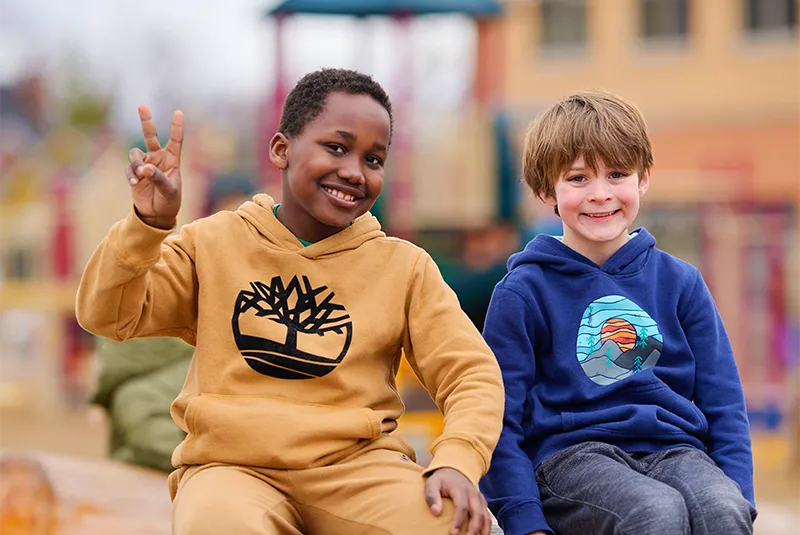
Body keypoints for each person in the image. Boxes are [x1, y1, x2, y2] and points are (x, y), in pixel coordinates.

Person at [75, 68, 504, 535]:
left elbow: (471, 373)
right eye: (336, 148)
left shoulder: (404, 267)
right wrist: (145, 225)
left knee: (456, 524)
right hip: (232, 469)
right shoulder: (212, 243)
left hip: (358, 470)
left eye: (374, 159)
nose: (354, 171)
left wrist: (457, 461)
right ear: (281, 149)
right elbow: (107, 315)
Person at [480, 90, 756, 535]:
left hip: (677, 451)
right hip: (574, 457)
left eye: (617, 174)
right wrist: (524, 519)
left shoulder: (681, 282)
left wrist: (739, 493)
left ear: (643, 179)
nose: (600, 194)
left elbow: (724, 403)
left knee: (722, 508)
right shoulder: (522, 292)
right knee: (656, 512)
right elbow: (499, 417)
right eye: (577, 178)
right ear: (543, 188)